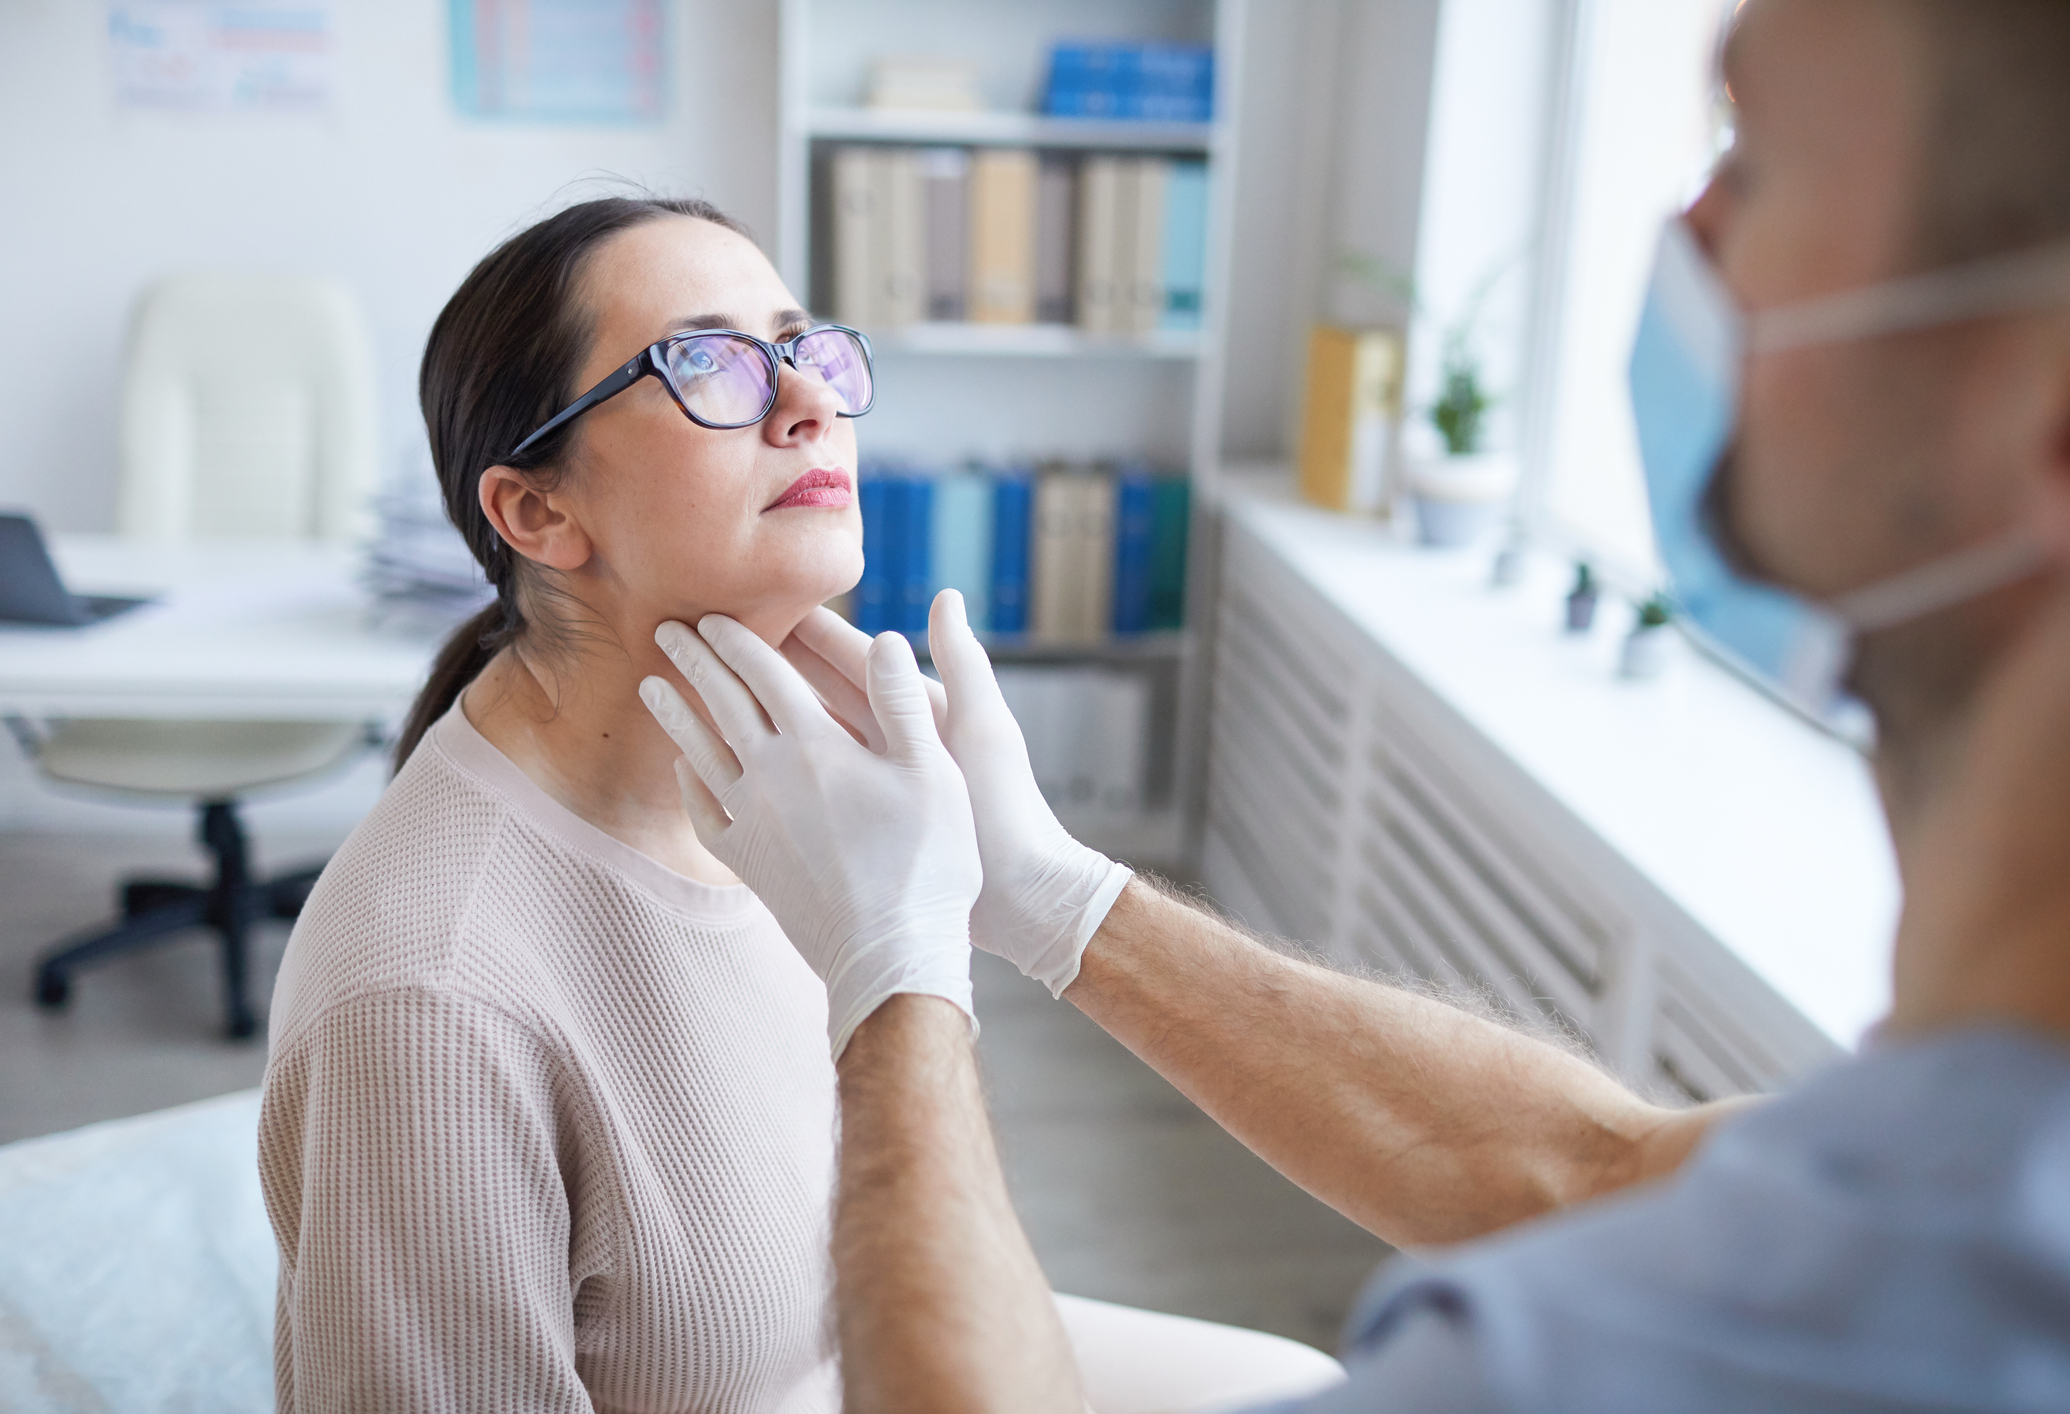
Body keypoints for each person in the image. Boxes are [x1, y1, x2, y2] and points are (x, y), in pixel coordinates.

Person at [638, 1, 2070, 1409]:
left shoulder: (1644, 1357)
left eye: (1756, 163)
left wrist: (893, 970)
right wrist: (1058, 900)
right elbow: (1590, 1169)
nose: (1686, 238)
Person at [257, 195, 1337, 1413]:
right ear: (537, 512)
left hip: (858, 1368)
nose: (807, 401)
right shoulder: (429, 1003)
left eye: (803, 345)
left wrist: (1039, 886)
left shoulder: (800, 803)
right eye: (707, 362)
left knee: (1309, 1386)